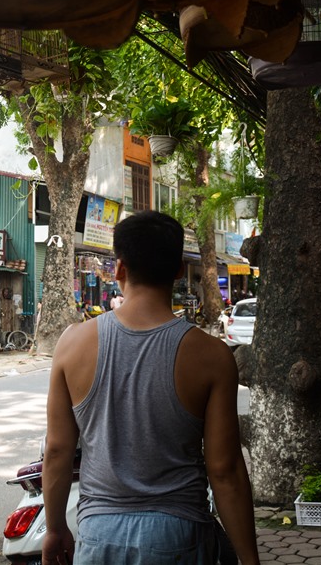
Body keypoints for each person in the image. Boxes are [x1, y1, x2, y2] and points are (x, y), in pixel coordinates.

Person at [42, 210, 260, 565]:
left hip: (99, 535)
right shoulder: (212, 356)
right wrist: (250, 560)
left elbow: (57, 451)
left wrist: (54, 529)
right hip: (178, 535)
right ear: (177, 270)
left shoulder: (71, 344)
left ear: (119, 269)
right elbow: (225, 470)